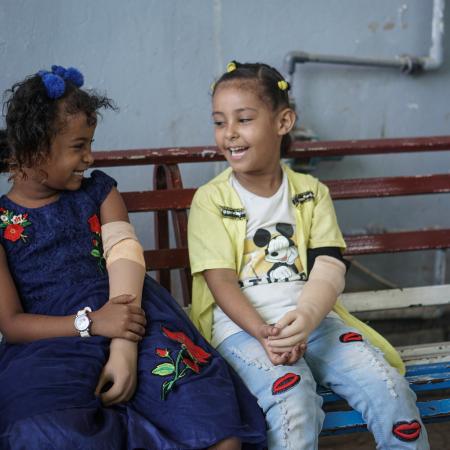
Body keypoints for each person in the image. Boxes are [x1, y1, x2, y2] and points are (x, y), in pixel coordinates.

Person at [0, 65, 267, 450]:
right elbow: (11, 324)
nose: (89, 157)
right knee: (43, 431)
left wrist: (123, 341)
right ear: (33, 149)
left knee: (211, 422)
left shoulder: (99, 193)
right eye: (78, 146)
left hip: (136, 314)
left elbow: (125, 256)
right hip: (53, 338)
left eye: (90, 143)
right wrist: (91, 324)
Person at [188, 60, 429, 449]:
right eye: (219, 121)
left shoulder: (311, 192)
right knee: (292, 398)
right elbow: (220, 282)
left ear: (283, 122)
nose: (229, 133)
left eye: (243, 119)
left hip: (317, 322)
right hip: (244, 331)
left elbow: (329, 266)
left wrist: (307, 316)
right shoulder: (211, 200)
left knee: (388, 388)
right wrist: (263, 333)